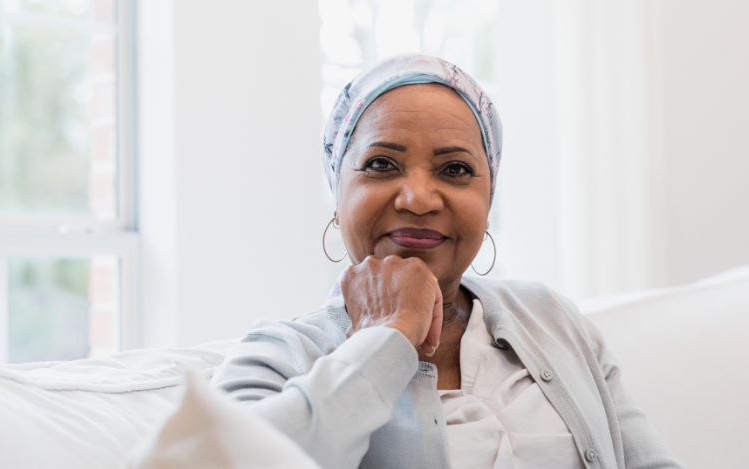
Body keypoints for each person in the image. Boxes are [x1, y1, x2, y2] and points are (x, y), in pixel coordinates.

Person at [211, 53, 684, 469]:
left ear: (487, 197)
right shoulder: (279, 354)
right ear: (337, 195)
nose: (418, 198)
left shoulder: (551, 317)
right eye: (381, 164)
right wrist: (387, 335)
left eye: (455, 169)